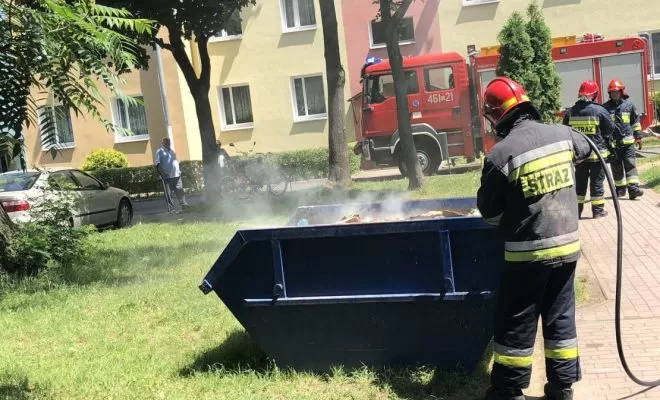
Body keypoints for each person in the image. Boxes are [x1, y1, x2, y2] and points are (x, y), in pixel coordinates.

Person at [476, 77, 592, 400]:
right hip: (568, 248)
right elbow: (587, 148)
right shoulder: (563, 135)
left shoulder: (500, 155)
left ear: (496, 116)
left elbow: (488, 212)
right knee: (560, 317)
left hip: (528, 255)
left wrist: (512, 220)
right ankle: (562, 388)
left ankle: (509, 390)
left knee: (517, 321)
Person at [562, 80, 616, 218]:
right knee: (596, 182)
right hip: (597, 156)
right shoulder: (600, 110)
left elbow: (566, 131)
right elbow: (609, 130)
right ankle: (598, 211)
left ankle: (577, 212)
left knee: (580, 183)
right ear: (595, 94)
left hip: (579, 156)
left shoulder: (571, 111)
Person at [602, 79, 645, 200]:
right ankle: (620, 189)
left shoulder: (629, 106)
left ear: (621, 92)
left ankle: (633, 189)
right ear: (609, 93)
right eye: (612, 92)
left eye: (617, 91)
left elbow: (635, 122)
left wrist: (638, 137)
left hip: (628, 144)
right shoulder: (605, 108)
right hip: (613, 145)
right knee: (616, 168)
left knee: (630, 165)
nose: (615, 94)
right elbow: (603, 126)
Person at [155, 137, 188, 213]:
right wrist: (162, 174)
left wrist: (179, 170)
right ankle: (172, 209)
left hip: (176, 174)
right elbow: (158, 164)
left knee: (179, 190)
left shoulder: (172, 151)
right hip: (167, 176)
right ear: (162, 143)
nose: (168, 143)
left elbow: (175, 161)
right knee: (169, 194)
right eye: (166, 142)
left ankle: (184, 205)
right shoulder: (160, 151)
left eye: (169, 142)